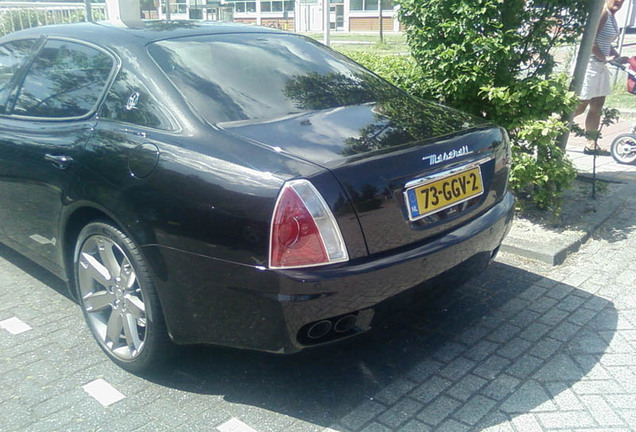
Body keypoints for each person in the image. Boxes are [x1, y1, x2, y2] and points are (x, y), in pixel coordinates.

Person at [574, 0, 628, 156]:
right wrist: (605, 57)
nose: (619, 1)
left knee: (597, 104)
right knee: (580, 105)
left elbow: (604, 41)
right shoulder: (603, 12)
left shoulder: (611, 16)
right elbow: (590, 40)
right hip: (589, 64)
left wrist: (617, 56)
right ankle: (551, 124)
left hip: (600, 65)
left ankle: (591, 144)